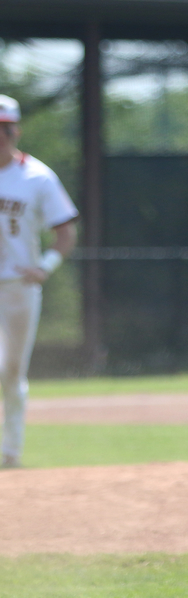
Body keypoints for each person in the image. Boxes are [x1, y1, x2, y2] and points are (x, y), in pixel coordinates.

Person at [0, 95, 78, 468]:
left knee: (11, 370)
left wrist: (45, 266)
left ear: (16, 130)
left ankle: (11, 452)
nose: (1, 135)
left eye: (5, 128)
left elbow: (65, 230)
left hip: (18, 286)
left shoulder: (37, 176)